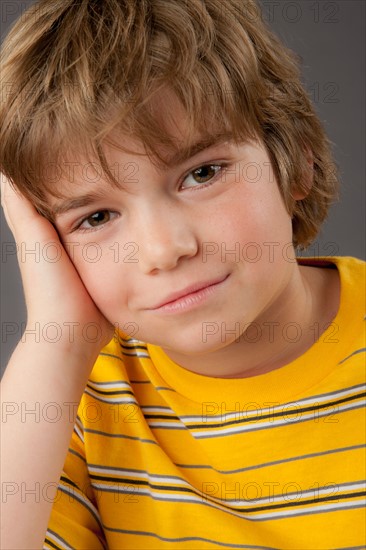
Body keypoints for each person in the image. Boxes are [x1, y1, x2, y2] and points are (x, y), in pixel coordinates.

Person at [1, 0, 365, 548]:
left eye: (202, 173)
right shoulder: (72, 404)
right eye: (96, 217)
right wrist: (57, 341)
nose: (163, 250)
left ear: (297, 159)